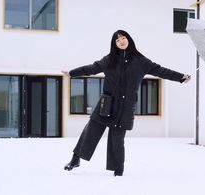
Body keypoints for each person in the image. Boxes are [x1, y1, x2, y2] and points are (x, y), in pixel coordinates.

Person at [63, 30, 191, 176]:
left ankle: (118, 171)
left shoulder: (141, 62)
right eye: (117, 40)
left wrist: (181, 77)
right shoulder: (109, 60)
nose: (121, 41)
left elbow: (162, 71)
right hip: (107, 103)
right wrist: (72, 73)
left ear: (129, 39)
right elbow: (91, 69)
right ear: (115, 44)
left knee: (117, 139)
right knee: (91, 130)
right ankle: (75, 159)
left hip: (125, 107)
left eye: (123, 38)